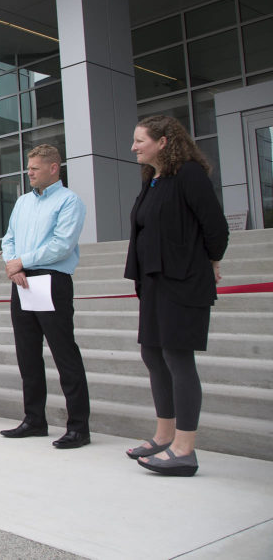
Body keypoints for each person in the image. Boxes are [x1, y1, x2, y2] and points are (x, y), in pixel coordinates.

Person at [124, 115, 228, 477]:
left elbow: (215, 225)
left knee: (177, 357)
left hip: (183, 280)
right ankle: (164, 435)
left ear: (164, 142)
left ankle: (185, 448)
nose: (134, 147)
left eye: (140, 141)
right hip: (154, 282)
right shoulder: (153, 179)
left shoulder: (188, 173)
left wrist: (210, 260)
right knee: (152, 353)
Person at [0, 144, 91, 449]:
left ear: (54, 168)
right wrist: (13, 267)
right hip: (22, 281)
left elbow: (62, 245)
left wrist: (21, 261)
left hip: (51, 280)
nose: (29, 173)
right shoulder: (23, 202)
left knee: (64, 354)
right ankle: (34, 419)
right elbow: (9, 238)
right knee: (27, 354)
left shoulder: (69, 202)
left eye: (35, 168)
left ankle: (79, 427)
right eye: (29, 168)